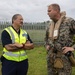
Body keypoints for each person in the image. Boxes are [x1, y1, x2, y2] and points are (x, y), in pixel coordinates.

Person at [45, 3, 75, 75]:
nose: (47, 13)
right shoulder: (49, 25)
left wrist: (72, 48)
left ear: (56, 11)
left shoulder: (69, 21)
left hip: (64, 58)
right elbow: (46, 38)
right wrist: (46, 45)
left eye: (49, 11)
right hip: (51, 58)